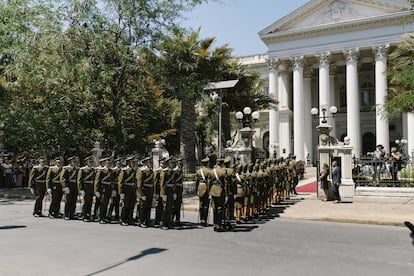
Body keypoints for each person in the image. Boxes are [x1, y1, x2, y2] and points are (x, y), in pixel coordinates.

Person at [118, 156, 137, 226]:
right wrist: (121, 192)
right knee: (125, 206)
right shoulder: (124, 170)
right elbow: (120, 182)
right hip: (126, 190)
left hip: (132, 190)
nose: (134, 163)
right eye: (133, 162)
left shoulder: (134, 170)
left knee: (132, 205)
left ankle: (130, 219)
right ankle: (123, 219)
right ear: (129, 163)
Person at [94, 157, 114, 224]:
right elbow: (97, 181)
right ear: (105, 163)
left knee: (106, 203)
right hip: (103, 189)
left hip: (108, 189)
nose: (109, 164)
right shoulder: (101, 170)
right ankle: (101, 218)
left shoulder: (111, 171)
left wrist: (113, 189)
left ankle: (104, 217)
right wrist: (96, 190)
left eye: (110, 163)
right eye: (108, 163)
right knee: (102, 204)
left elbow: (112, 181)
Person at [209, 158, 227, 232]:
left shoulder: (211, 172)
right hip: (220, 190)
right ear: (222, 164)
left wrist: (209, 192)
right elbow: (226, 184)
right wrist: (226, 194)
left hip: (213, 190)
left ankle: (215, 224)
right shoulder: (223, 172)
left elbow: (209, 183)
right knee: (220, 208)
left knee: (214, 208)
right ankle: (219, 225)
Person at [136, 156, 154, 228]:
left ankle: (147, 221)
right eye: (149, 162)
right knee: (143, 207)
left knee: (148, 207)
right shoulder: (141, 171)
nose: (151, 163)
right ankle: (141, 221)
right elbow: (139, 184)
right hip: (144, 191)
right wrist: (141, 194)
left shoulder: (150, 170)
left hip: (149, 191)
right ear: (145, 163)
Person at [77, 156, 96, 222]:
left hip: (91, 188)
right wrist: (81, 189)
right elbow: (79, 180)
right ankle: (84, 215)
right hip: (85, 188)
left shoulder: (94, 170)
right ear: (87, 162)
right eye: (90, 162)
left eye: (92, 162)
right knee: (86, 202)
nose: (91, 163)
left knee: (90, 202)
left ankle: (88, 214)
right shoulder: (82, 169)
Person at [160, 157, 175, 230]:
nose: (171, 164)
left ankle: (168, 222)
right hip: (166, 191)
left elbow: (173, 183)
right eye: (170, 162)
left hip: (171, 191)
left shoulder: (171, 171)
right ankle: (163, 223)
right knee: (165, 208)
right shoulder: (164, 172)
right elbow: (162, 184)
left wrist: (174, 192)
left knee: (170, 208)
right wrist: (163, 194)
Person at [195, 157, 211, 227]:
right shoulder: (209, 171)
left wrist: (197, 190)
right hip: (206, 188)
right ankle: (205, 220)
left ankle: (201, 219)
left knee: (201, 204)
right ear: (207, 163)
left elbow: (196, 182)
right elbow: (209, 182)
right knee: (206, 205)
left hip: (200, 187)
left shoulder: (198, 171)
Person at [172, 158, 184, 226]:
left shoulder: (181, 171)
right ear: (177, 164)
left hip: (179, 190)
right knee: (174, 205)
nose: (181, 165)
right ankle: (172, 218)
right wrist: (173, 192)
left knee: (178, 205)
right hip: (175, 190)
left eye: (182, 164)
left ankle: (177, 219)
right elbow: (173, 182)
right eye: (180, 164)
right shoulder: (174, 171)